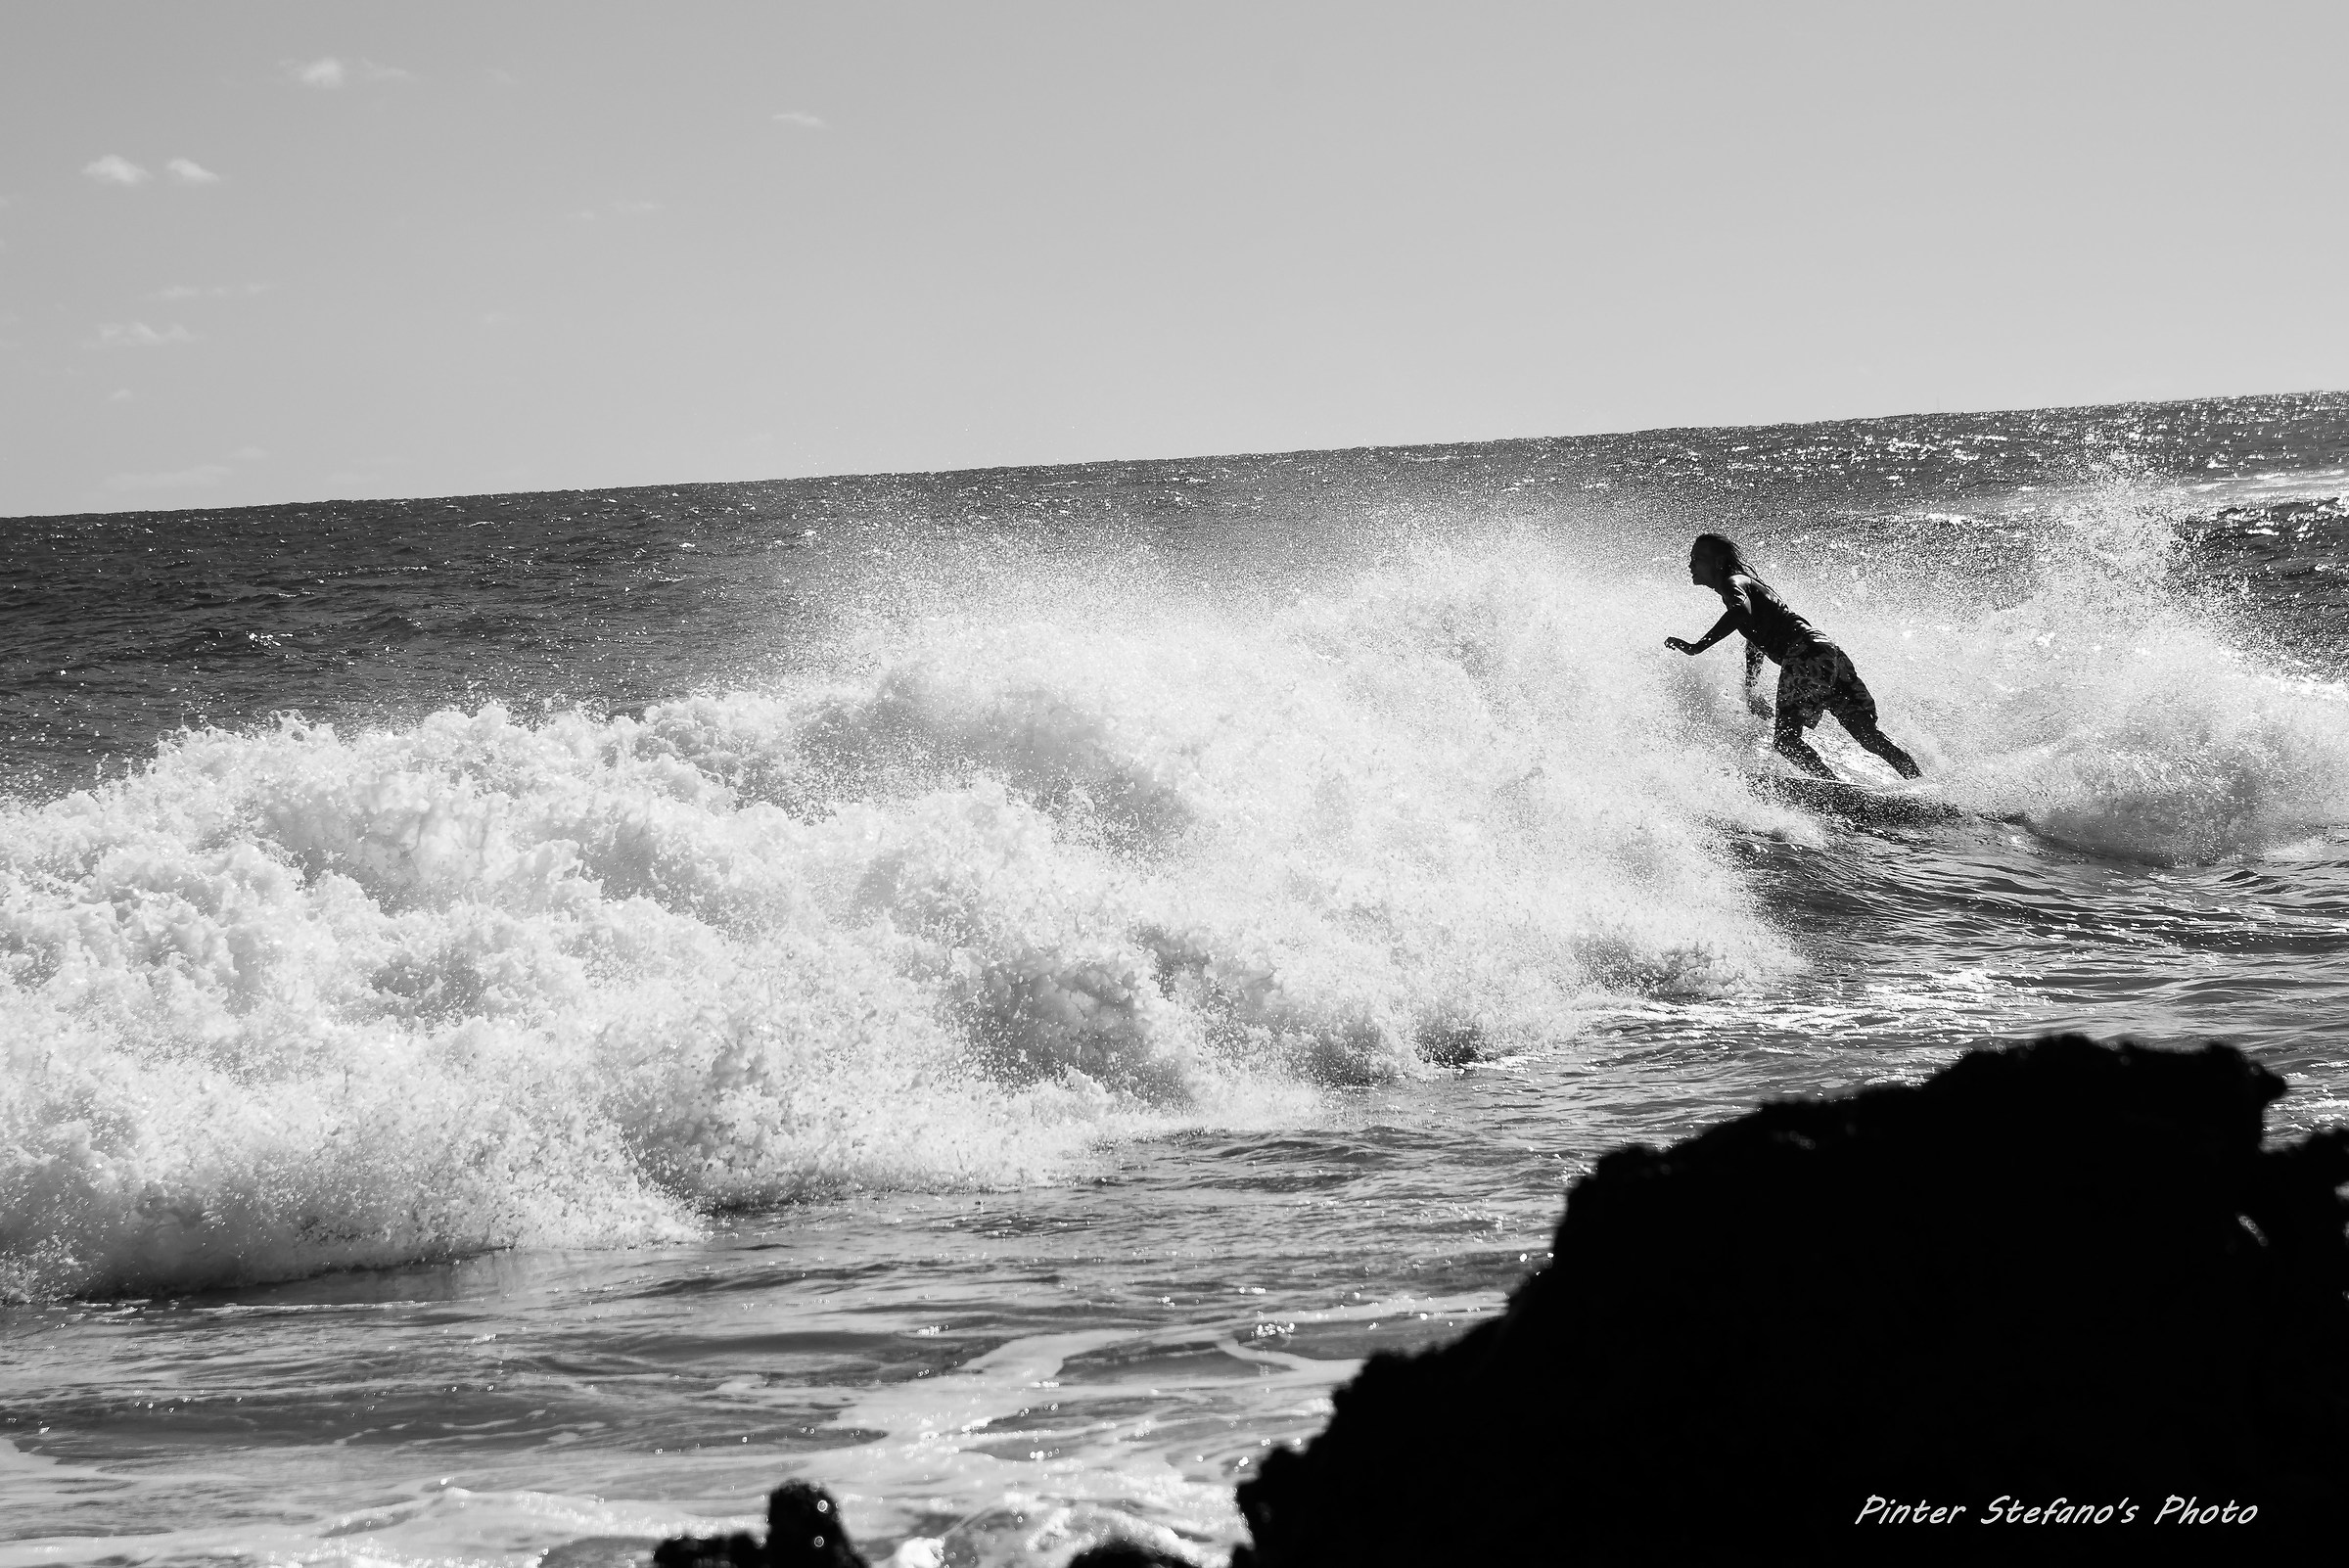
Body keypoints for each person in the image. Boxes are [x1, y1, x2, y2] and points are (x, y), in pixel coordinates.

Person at [1663, 532, 1921, 781]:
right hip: (1826, 651)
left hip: (1805, 655)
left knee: (1786, 742)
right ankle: (1921, 785)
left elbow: (1740, 613)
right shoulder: (1745, 588)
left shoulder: (1734, 583)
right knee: (1866, 735)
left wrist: (1697, 647)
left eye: (1697, 558)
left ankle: (1834, 790)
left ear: (1717, 562)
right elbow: (1755, 641)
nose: (1690, 564)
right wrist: (1751, 689)